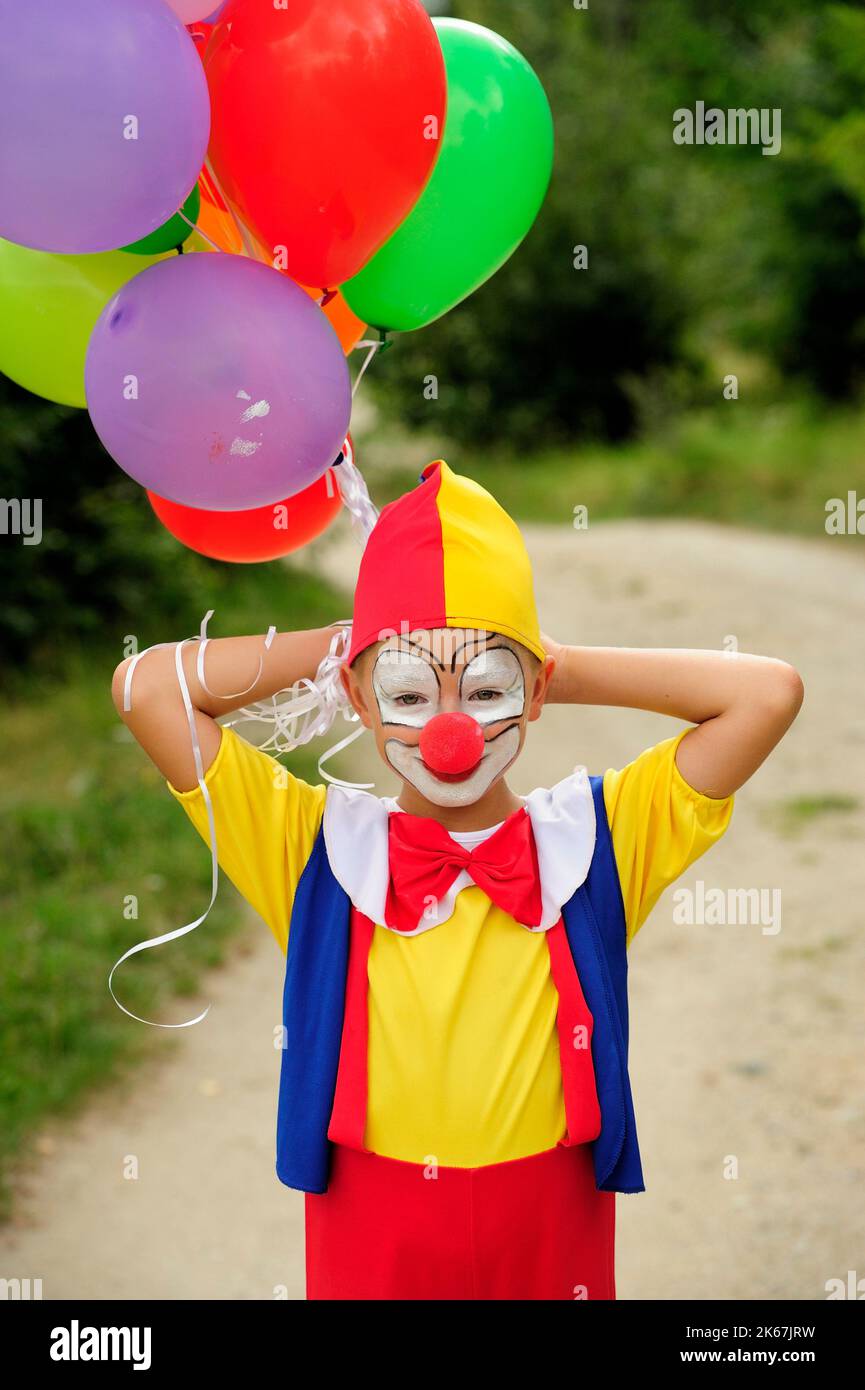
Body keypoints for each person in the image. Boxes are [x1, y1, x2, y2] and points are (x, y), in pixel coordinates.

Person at [112, 460, 803, 1300]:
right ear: (361, 704)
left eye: (485, 690)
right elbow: (147, 689)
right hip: (373, 1219)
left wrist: (552, 662)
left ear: (536, 688)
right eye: (407, 693)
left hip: (549, 1213)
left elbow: (765, 695)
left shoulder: (599, 837)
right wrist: (347, 648)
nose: (452, 735)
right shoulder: (310, 846)